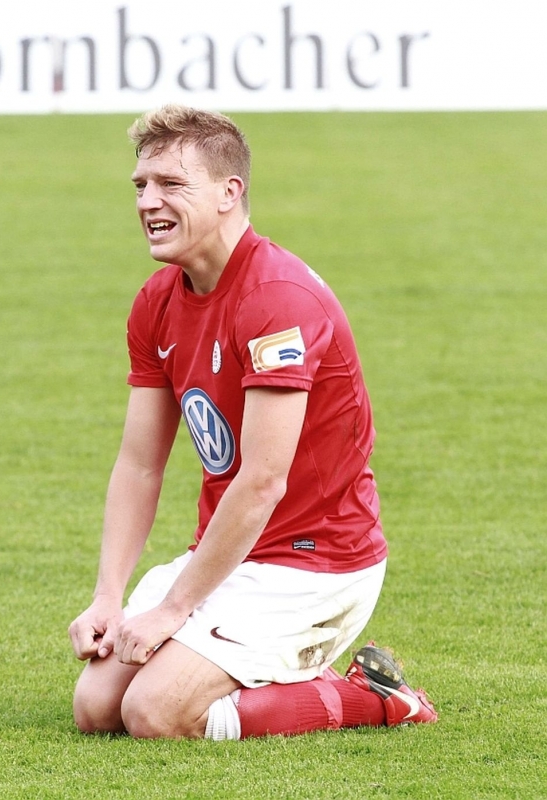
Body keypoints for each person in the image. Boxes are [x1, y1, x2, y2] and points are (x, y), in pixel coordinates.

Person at [68, 104, 437, 739]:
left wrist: (174, 609)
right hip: (230, 554)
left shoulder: (276, 298)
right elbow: (140, 464)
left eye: (171, 184)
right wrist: (108, 595)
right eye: (141, 185)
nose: (148, 202)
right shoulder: (156, 301)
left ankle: (373, 697)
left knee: (154, 713)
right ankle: (267, 668)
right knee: (96, 708)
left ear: (229, 192)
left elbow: (264, 479)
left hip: (317, 566)